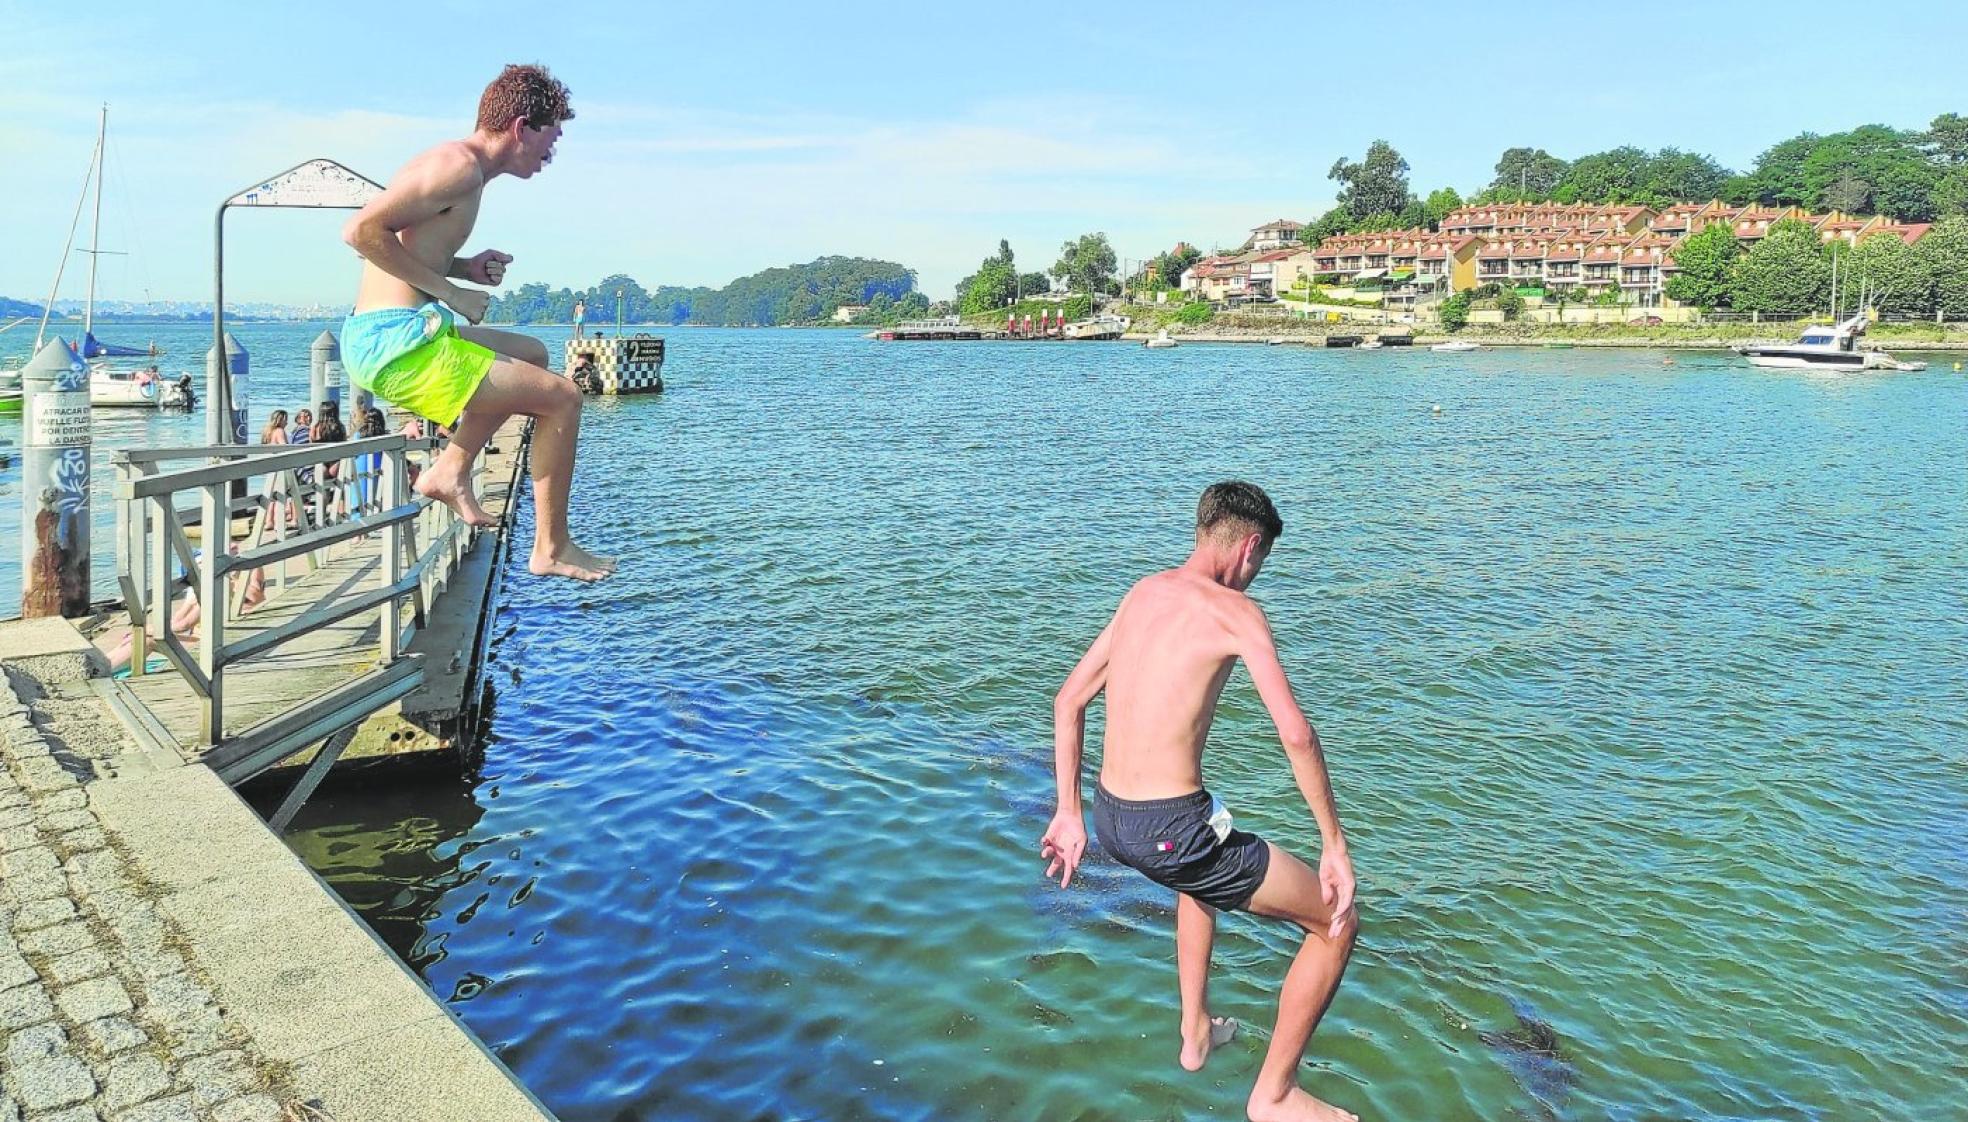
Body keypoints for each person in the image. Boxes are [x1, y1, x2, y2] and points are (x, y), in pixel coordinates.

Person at [1040, 481, 1360, 1122]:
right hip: (1170, 828)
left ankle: (1195, 1032)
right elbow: (1295, 732)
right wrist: (1334, 845)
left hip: (1110, 817)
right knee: (1335, 922)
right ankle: (1273, 1095)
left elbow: (1068, 700)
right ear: (1248, 548)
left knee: (1201, 866)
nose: (1255, 575)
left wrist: (1068, 812)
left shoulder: (1142, 594)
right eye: (1260, 561)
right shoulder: (1236, 613)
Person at [339, 63, 612, 582]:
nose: (551, 153)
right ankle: (551, 547)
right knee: (564, 397)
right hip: (396, 343)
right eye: (550, 139)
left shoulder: (457, 169)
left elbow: (394, 247)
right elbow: (359, 234)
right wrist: (452, 292)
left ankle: (450, 468)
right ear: (521, 127)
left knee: (532, 355)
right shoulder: (457, 168)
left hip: (404, 329)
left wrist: (464, 267)